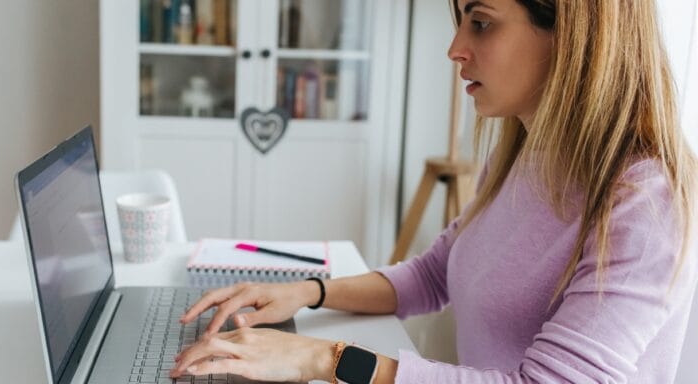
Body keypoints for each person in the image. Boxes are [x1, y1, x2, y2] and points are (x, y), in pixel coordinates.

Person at [170, 0, 698, 382]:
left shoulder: (646, 202)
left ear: (572, 32)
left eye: (482, 22)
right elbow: (433, 273)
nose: (455, 48)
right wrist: (308, 292)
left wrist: (318, 358)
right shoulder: (522, 155)